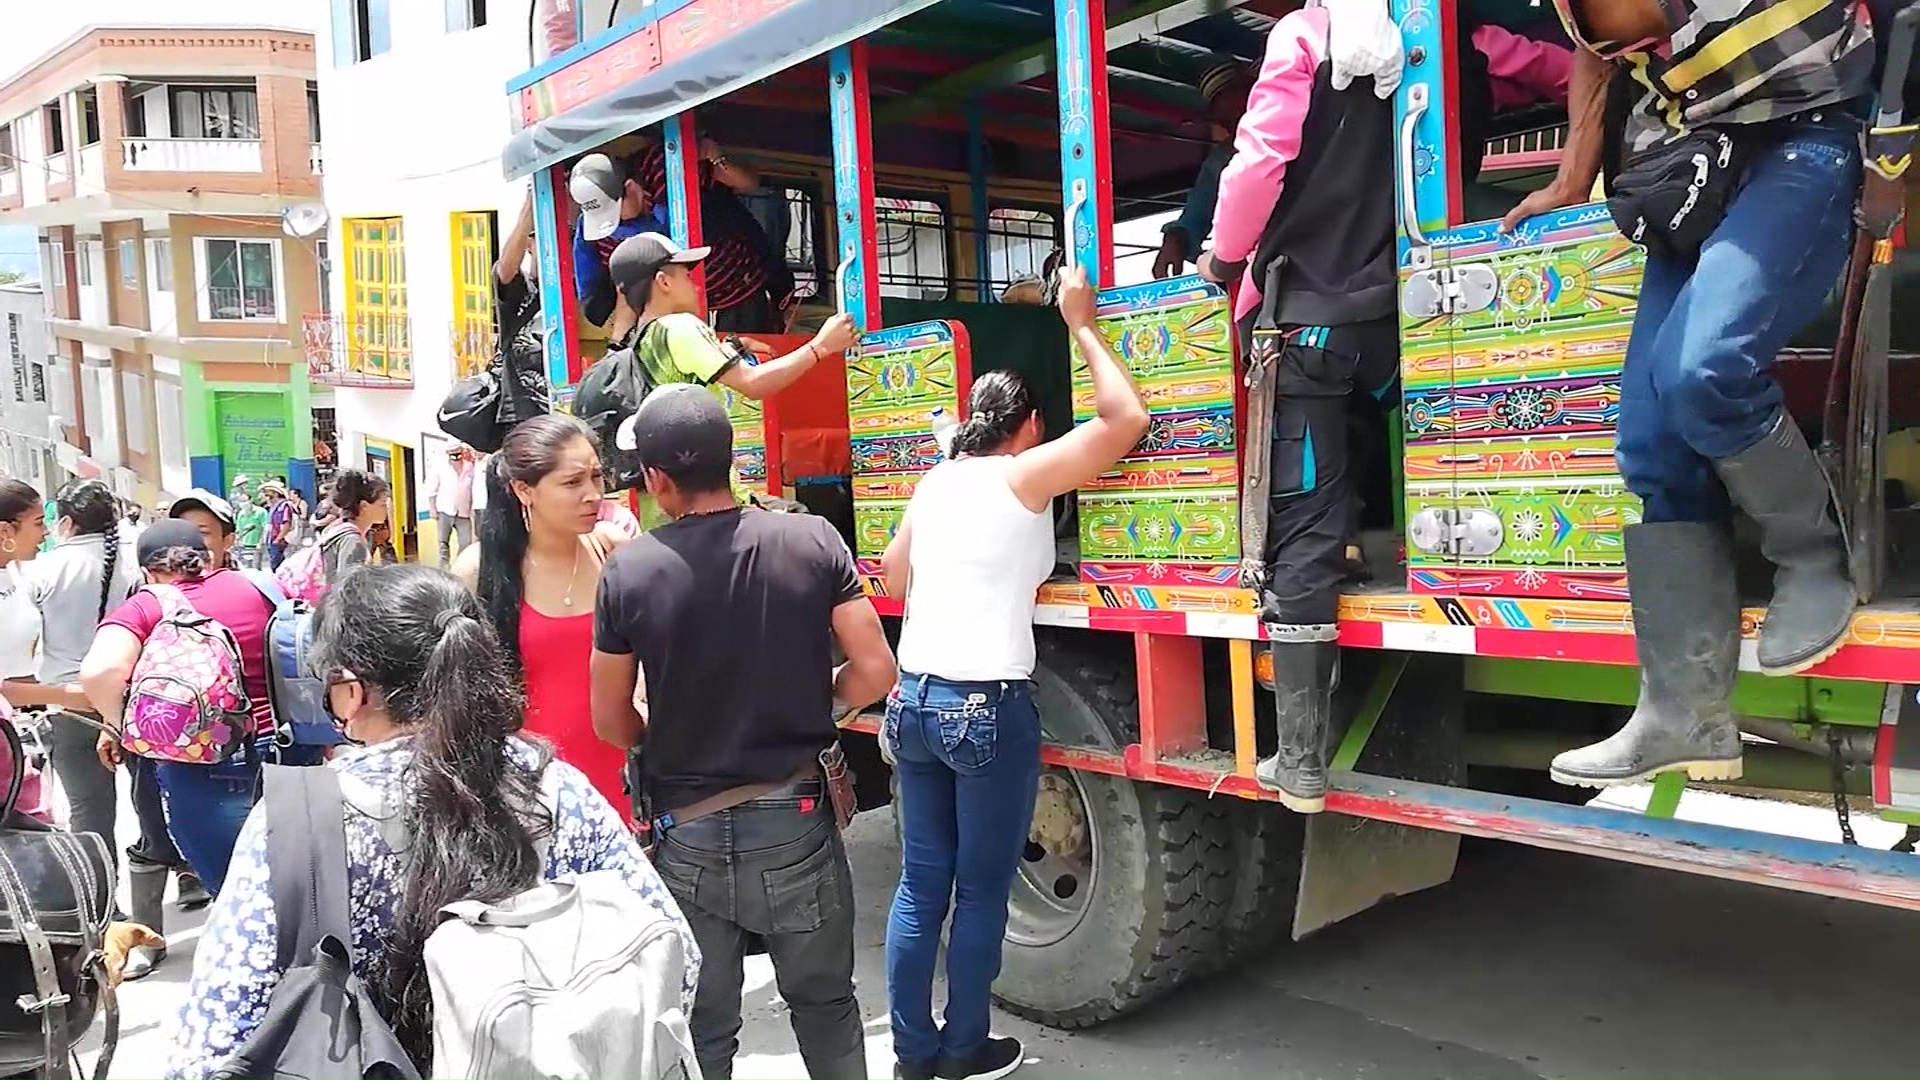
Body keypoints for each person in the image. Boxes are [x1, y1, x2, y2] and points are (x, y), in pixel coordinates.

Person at [1502, 0, 1873, 787]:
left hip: (1806, 126)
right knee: (1649, 441)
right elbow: (1595, 55)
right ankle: (1685, 716)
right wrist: (1570, 177)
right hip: (1698, 158)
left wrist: (1899, 144)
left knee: (1704, 370)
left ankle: (1813, 559)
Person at [163, 565, 699, 1079]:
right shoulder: (555, 787)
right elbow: (677, 954)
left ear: (351, 691)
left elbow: (216, 1039)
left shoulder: (300, 818)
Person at [878, 267, 1146, 1080]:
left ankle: (912, 1055)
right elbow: (1125, 418)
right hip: (983, 707)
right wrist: (1082, 324)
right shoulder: (1023, 475)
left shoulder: (937, 480)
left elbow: (891, 581)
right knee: (982, 890)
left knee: (922, 886)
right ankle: (965, 1050)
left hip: (913, 701)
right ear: (1028, 426)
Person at [590, 385, 896, 1080]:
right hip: (795, 819)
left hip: (685, 830)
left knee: (703, 1026)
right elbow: (876, 668)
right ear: (732, 461)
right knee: (824, 1006)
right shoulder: (809, 538)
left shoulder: (629, 571)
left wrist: (662, 731)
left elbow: (611, 720)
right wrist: (819, 701)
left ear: (658, 479)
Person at [1192, 0, 1404, 812]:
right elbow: (1546, 64)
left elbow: (1261, 161)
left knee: (1303, 526)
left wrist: (1224, 253)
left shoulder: (1302, 37)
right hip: (1400, 319)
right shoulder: (1429, 37)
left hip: (1303, 325)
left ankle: (1306, 762)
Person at [82, 519, 281, 899]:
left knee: (239, 893)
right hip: (289, 751)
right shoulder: (259, 585)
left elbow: (101, 671)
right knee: (299, 880)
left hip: (205, 765)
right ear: (208, 557)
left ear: (146, 571)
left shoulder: (148, 603)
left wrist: (114, 724)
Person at [455, 415, 633, 818]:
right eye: (572, 483)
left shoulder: (613, 552)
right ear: (524, 489)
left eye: (597, 478)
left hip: (618, 777)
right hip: (527, 790)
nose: (592, 495)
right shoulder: (480, 570)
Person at [24, 479, 138, 872]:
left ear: (67, 522)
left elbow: (27, 638)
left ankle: (103, 903)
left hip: (68, 704)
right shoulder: (134, 562)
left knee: (90, 813)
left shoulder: (44, 568)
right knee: (153, 802)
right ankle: (181, 873)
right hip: (133, 700)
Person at [570, 151, 674, 343]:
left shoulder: (662, 175)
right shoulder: (587, 228)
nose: (613, 225)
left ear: (632, 189)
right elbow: (591, 295)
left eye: (615, 213)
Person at [320, 469, 390, 587]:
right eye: (382, 504)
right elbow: (346, 590)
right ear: (364, 506)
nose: (386, 509)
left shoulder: (338, 527)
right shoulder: (352, 540)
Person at [424, 446, 476, 568]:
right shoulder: (441, 467)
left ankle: (459, 568)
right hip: (445, 510)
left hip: (464, 512)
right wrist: (432, 509)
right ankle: (444, 569)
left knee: (465, 543)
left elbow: (473, 488)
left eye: (458, 454)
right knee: (443, 543)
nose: (456, 457)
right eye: (453, 454)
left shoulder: (470, 468)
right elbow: (432, 490)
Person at [168, 488, 239, 569]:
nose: (190, 541)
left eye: (202, 533)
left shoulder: (246, 580)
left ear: (228, 541)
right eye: (182, 532)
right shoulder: (159, 578)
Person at [261, 481, 294, 569]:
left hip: (279, 540)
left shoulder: (284, 506)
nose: (267, 497)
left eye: (269, 493)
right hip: (272, 539)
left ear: (276, 493)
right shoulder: (273, 507)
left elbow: (286, 523)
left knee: (277, 565)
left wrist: (278, 539)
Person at [232, 492, 268, 570]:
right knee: (247, 567)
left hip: (257, 544)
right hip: (245, 544)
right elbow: (238, 529)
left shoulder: (261, 512)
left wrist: (261, 542)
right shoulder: (241, 514)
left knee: (256, 567)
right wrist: (238, 540)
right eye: (241, 501)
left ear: (250, 500)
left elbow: (265, 528)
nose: (243, 503)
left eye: (245, 500)